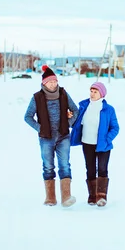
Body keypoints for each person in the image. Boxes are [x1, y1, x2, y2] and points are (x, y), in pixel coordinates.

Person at [24, 65, 79, 207]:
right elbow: (28, 117)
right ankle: (50, 198)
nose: (53, 84)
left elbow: (75, 110)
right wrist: (40, 128)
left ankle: (66, 197)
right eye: (50, 82)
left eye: (55, 81)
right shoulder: (37, 97)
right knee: (48, 167)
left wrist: (69, 122)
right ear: (44, 83)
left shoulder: (63, 94)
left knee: (65, 165)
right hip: (46, 138)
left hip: (63, 137)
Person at [70, 81, 119, 207]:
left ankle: (101, 196)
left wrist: (107, 139)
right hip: (87, 143)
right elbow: (75, 123)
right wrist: (69, 118)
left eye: (95, 92)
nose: (92, 94)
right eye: (91, 91)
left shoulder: (108, 110)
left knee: (102, 169)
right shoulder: (83, 106)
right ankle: (92, 196)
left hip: (103, 145)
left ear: (101, 94)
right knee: (90, 169)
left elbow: (115, 127)